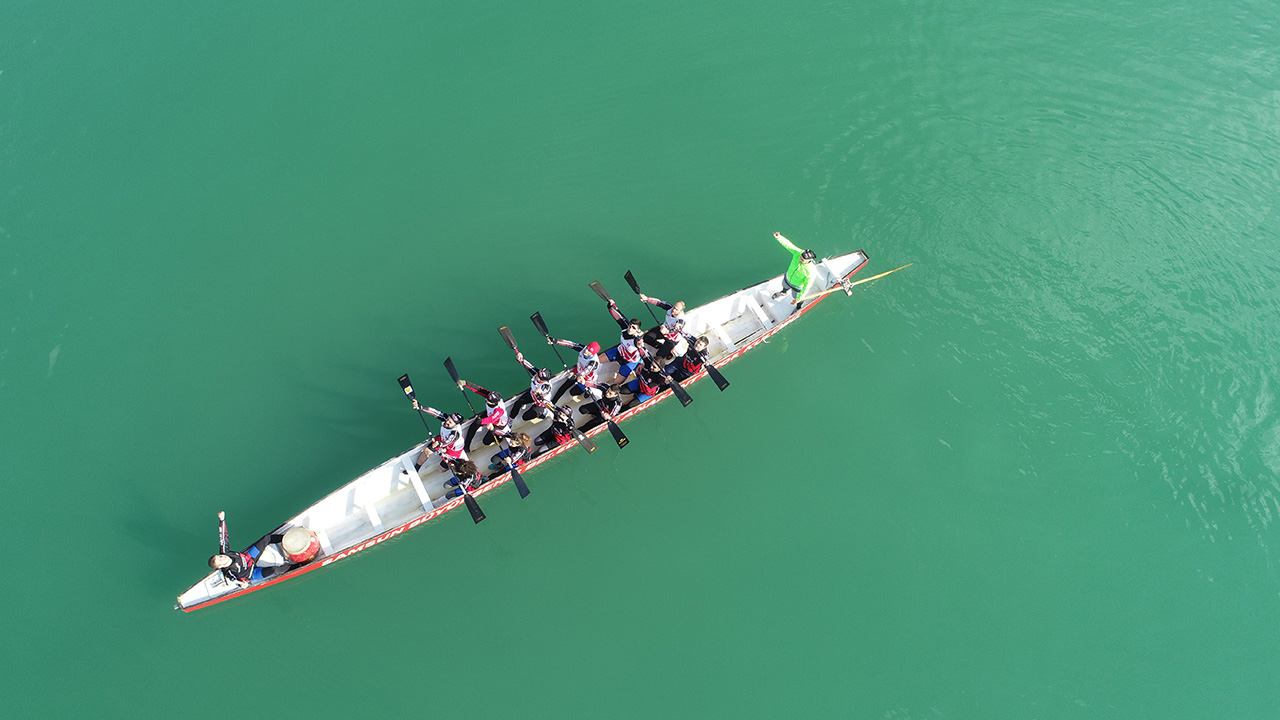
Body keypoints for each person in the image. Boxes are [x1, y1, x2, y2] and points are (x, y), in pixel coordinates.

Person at [208, 511, 287, 588]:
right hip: (252, 573)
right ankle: (296, 567)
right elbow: (234, 580)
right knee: (274, 570)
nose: (223, 557)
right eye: (220, 560)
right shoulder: (229, 572)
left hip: (250, 557)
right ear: (220, 566)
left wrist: (222, 520)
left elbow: (223, 536)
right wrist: (242, 584)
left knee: (267, 538)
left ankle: (288, 538)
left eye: (220, 556)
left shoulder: (225, 552)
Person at [412, 402, 468, 471]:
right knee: (427, 451)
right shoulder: (446, 419)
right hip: (442, 440)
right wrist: (421, 407)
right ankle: (416, 468)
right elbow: (434, 412)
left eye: (450, 422)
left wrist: (440, 444)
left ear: (456, 425)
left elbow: (449, 441)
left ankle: (454, 464)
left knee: (441, 469)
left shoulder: (455, 433)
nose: (447, 422)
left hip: (452, 449)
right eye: (448, 419)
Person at [602, 299, 648, 382]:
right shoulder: (625, 328)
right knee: (597, 360)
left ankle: (638, 366)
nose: (630, 328)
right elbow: (617, 317)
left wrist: (641, 338)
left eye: (633, 328)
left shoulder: (636, 339)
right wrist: (610, 306)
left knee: (617, 383)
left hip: (629, 362)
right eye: (630, 325)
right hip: (619, 352)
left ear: (637, 330)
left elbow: (640, 342)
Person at [548, 337, 604, 404]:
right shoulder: (583, 349)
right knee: (564, 386)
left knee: (573, 392)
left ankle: (588, 390)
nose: (586, 351)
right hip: (578, 371)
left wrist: (575, 375)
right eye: (587, 348)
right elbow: (571, 344)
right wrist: (555, 340)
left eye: (589, 351)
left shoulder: (594, 363)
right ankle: (553, 402)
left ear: (593, 354)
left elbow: (585, 372)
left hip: (586, 378)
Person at [458, 380, 511, 450]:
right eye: (487, 397)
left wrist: (482, 421)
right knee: (474, 424)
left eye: (488, 400)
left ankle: (500, 437)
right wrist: (465, 383)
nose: (486, 399)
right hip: (490, 415)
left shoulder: (499, 410)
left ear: (494, 403)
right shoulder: (490, 396)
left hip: (498, 424)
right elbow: (479, 389)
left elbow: (491, 419)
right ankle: (467, 446)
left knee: (486, 442)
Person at [509, 350, 557, 421]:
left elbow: (544, 389)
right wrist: (520, 359)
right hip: (532, 395)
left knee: (525, 417)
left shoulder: (547, 386)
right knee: (518, 403)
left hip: (540, 403)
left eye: (538, 375)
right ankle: (510, 420)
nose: (536, 374)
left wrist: (539, 390)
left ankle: (544, 412)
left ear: (543, 380)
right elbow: (530, 366)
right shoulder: (537, 373)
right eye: (538, 372)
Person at [772, 231, 820, 301]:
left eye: (803, 260)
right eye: (800, 257)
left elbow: (807, 286)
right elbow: (789, 245)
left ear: (809, 260)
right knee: (784, 286)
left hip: (797, 287)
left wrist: (800, 297)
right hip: (788, 278)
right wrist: (779, 237)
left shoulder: (811, 271)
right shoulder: (798, 253)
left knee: (796, 298)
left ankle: (798, 306)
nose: (800, 259)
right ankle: (783, 292)